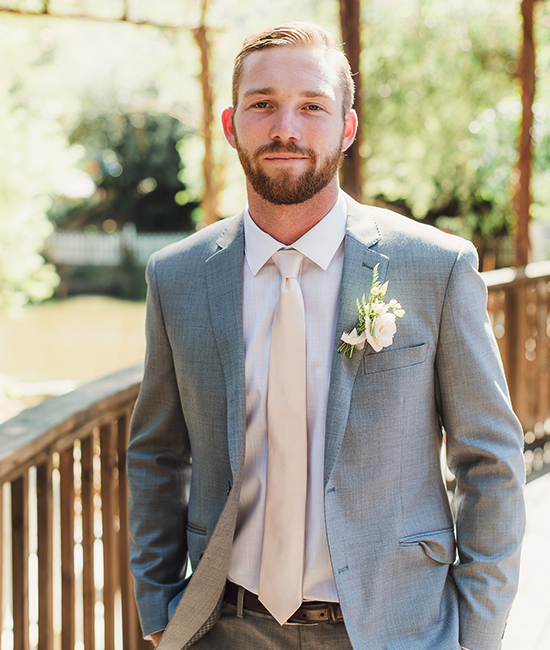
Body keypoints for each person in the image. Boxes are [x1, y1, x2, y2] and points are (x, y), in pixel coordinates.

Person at [127, 22, 525, 650]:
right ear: (232, 124)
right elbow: (156, 453)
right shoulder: (177, 277)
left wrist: (477, 633)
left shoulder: (435, 268)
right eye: (263, 104)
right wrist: (156, 602)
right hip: (224, 626)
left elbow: (491, 460)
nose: (287, 126)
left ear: (347, 126)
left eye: (312, 106)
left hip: (397, 628)